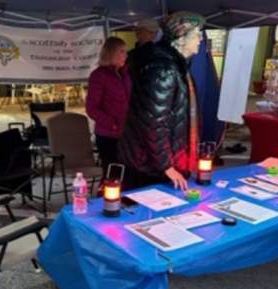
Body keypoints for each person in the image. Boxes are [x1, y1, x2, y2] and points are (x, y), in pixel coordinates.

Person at [118, 12, 205, 191]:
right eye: (197, 34)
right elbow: (153, 123)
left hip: (159, 164)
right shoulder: (163, 69)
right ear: (181, 38)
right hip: (149, 168)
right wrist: (167, 166)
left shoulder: (176, 66)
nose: (200, 39)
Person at [86, 37, 131, 180]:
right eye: (121, 51)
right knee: (112, 175)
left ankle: (125, 200)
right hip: (108, 136)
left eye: (126, 51)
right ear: (111, 53)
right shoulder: (99, 76)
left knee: (127, 173)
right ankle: (109, 200)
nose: (125, 55)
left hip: (126, 134)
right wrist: (112, 124)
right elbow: (91, 108)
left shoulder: (125, 74)